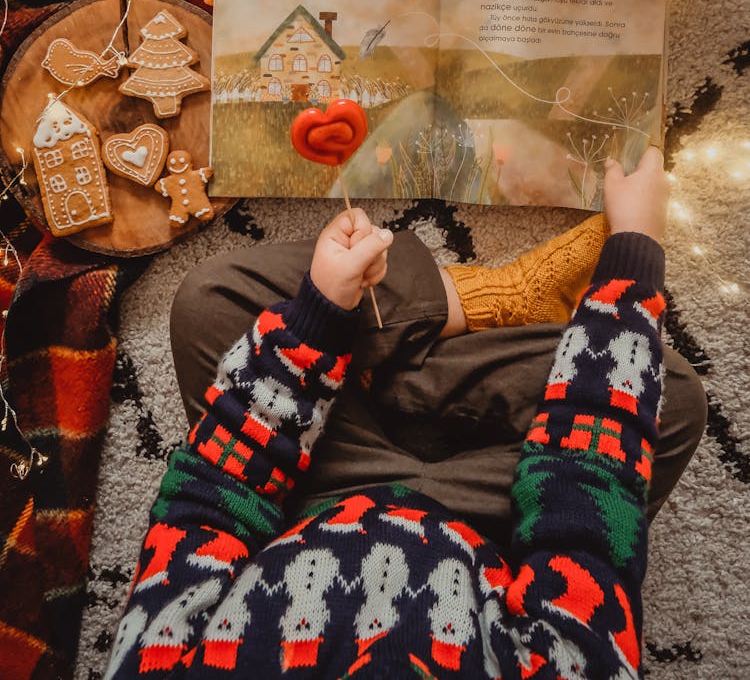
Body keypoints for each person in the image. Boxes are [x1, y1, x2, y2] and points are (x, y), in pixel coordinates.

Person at [104, 147, 706, 677]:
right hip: (499, 536)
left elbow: (206, 511)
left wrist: (317, 320)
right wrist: (632, 264)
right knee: (673, 396)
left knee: (210, 300)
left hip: (310, 504)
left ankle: (442, 325)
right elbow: (585, 536)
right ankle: (456, 325)